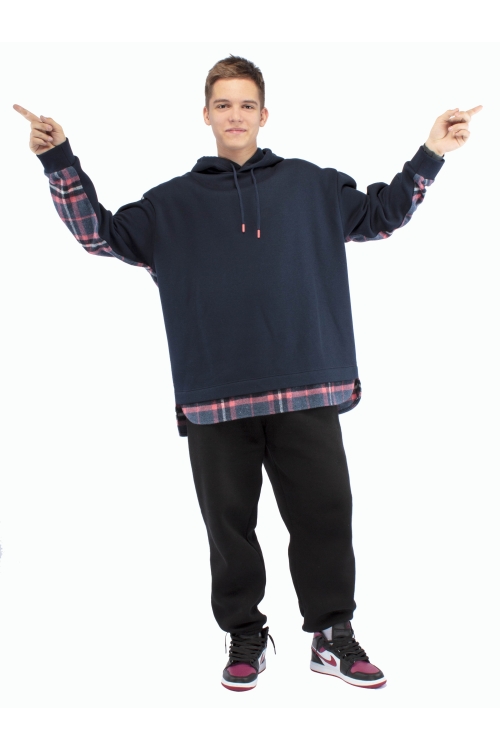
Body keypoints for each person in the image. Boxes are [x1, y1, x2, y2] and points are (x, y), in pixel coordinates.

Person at [14, 55, 482, 693]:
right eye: (223, 104)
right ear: (205, 115)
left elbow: (383, 216)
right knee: (228, 525)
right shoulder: (169, 204)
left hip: (306, 383)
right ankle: (244, 633)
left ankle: (332, 633)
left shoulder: (313, 185)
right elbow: (100, 235)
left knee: (325, 513)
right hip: (215, 394)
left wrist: (432, 152)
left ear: (264, 115)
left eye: (246, 104)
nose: (235, 115)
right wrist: (59, 159)